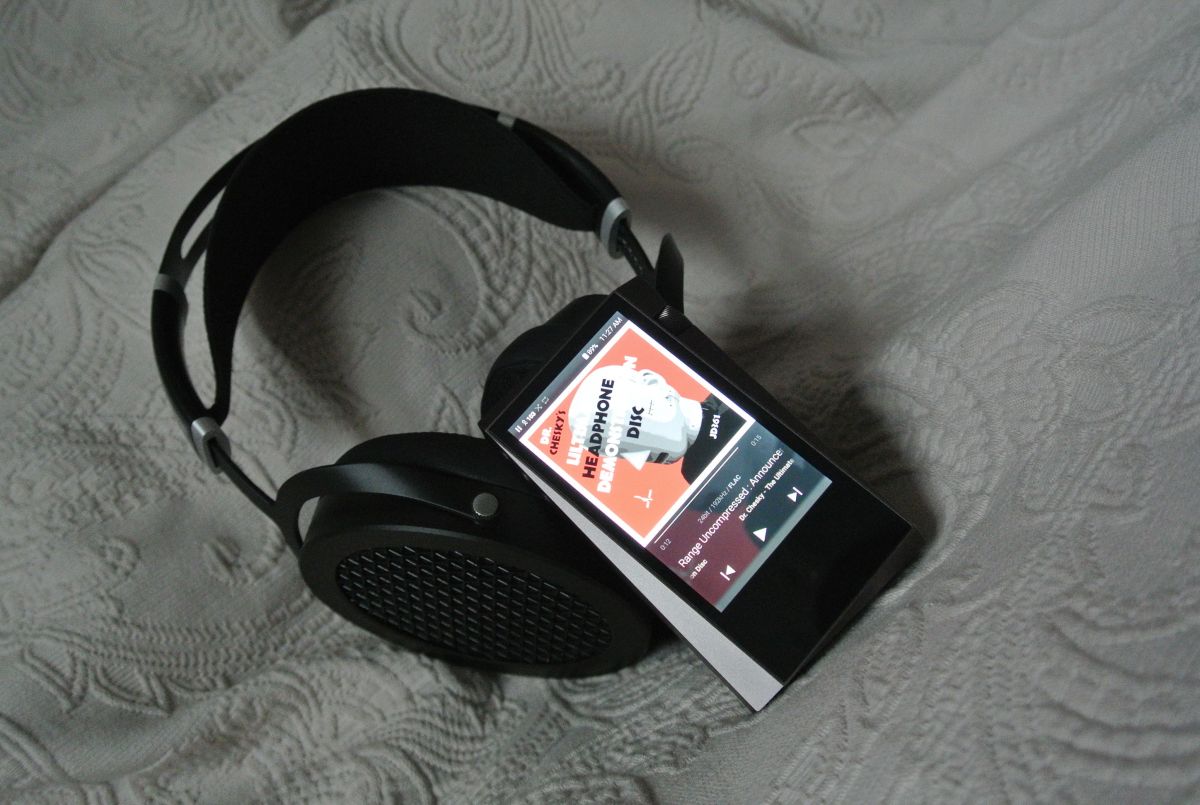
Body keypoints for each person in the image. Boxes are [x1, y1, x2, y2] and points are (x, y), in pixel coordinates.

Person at [567, 365, 741, 484]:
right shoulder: (696, 474)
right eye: (617, 447)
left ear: (652, 382)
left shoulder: (730, 397)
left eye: (630, 422)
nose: (638, 449)